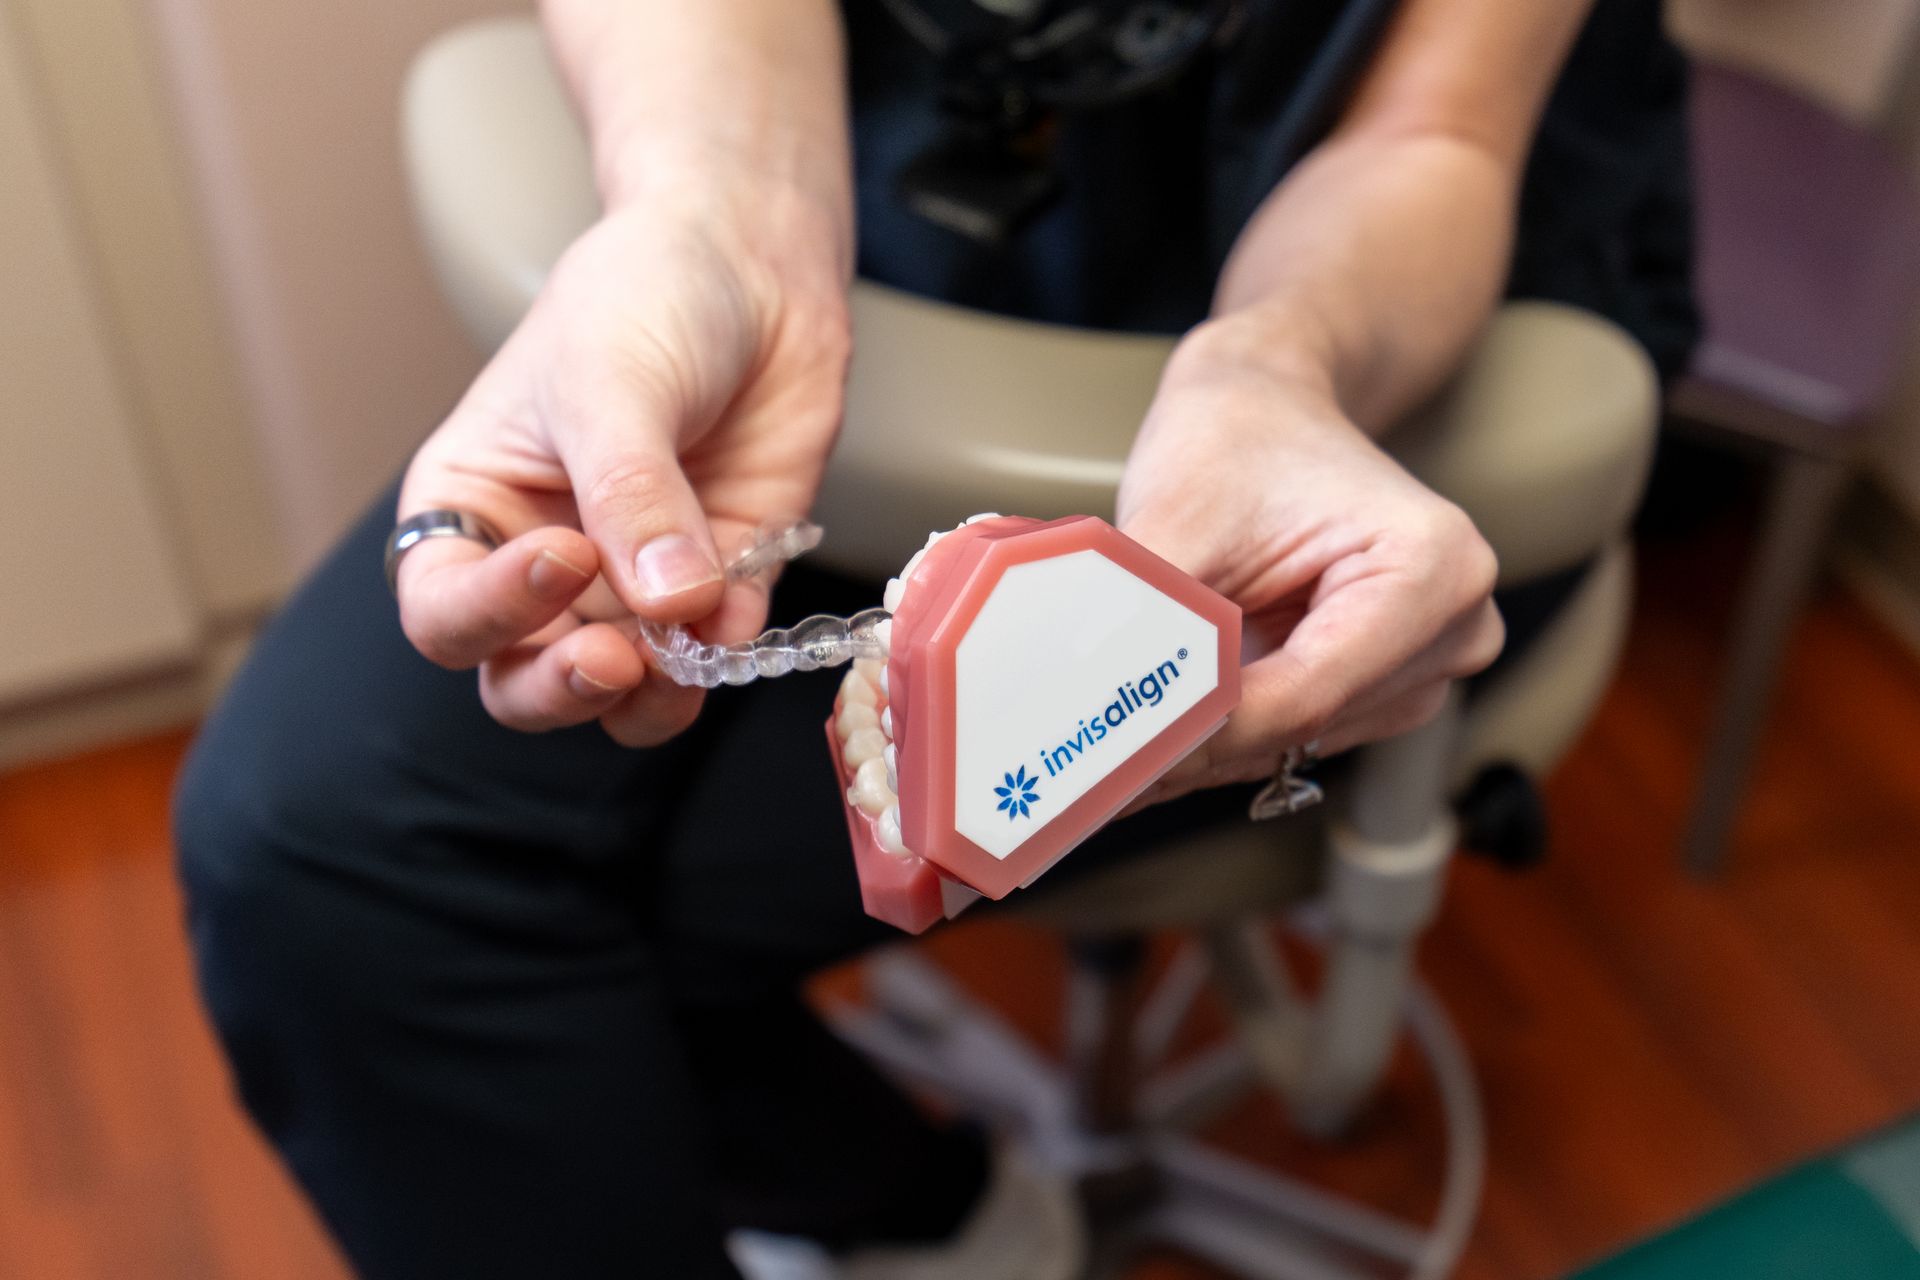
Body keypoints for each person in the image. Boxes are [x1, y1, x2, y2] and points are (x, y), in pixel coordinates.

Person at [174, 1, 1695, 1276]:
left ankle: (929, 1218)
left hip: (1333, 391)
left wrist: (1279, 372)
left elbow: (1428, 129)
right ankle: (921, 1212)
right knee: (305, 855)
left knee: (489, 937)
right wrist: (717, 215)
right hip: (835, 323)